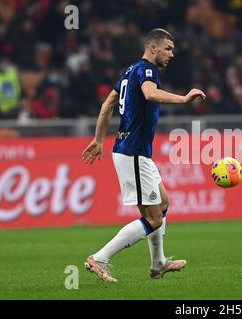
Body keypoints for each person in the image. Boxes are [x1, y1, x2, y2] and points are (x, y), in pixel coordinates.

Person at [81, 28, 206, 282]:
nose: (172, 54)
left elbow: (107, 105)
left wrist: (98, 139)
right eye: (168, 48)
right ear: (152, 48)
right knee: (153, 219)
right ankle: (100, 258)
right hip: (133, 153)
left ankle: (158, 263)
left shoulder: (130, 71)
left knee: (163, 202)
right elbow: (150, 94)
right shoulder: (148, 70)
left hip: (135, 152)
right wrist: (183, 100)